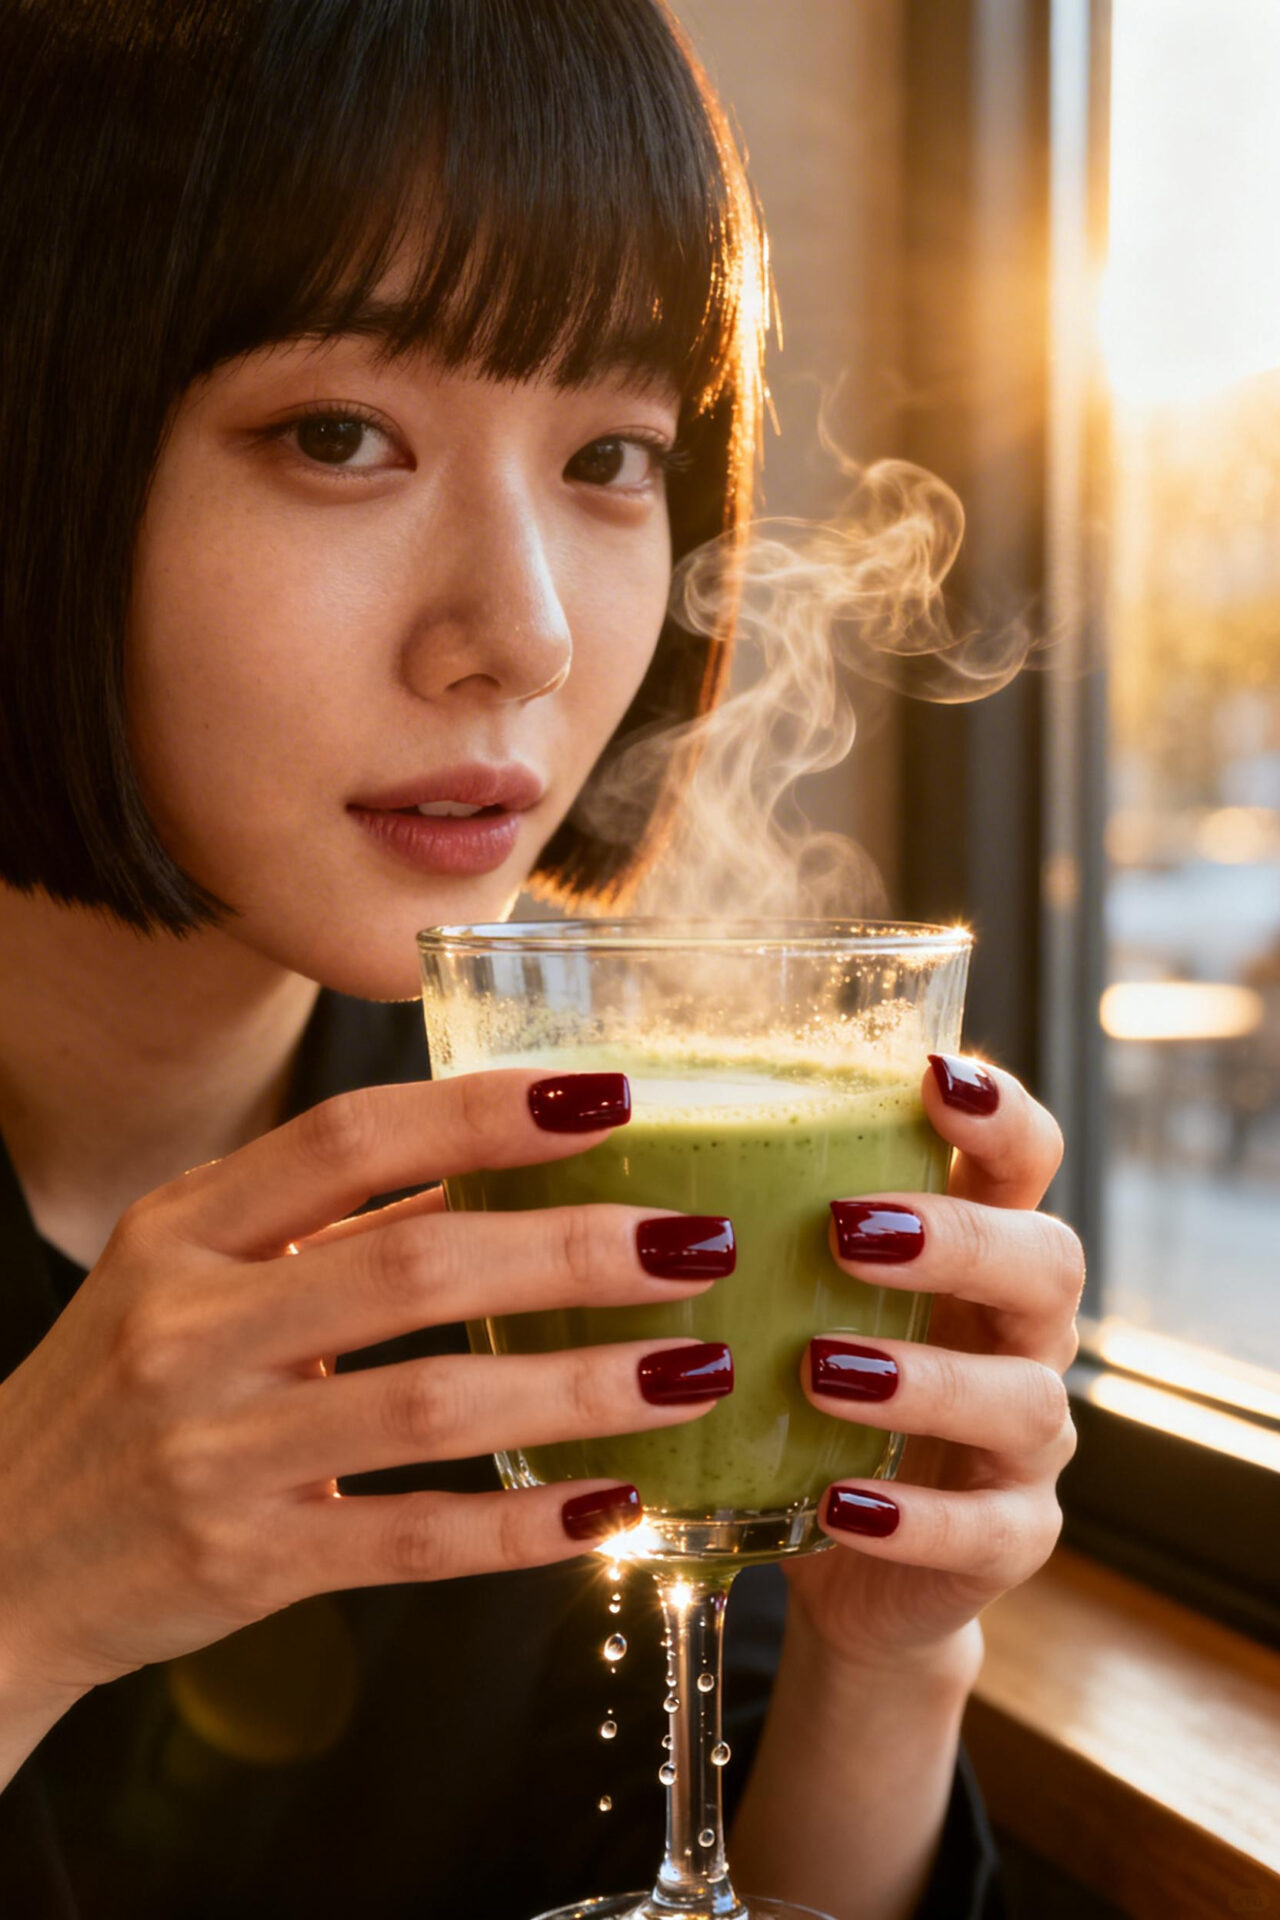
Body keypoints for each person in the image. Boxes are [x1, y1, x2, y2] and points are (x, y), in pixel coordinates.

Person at [0, 2, 1082, 1915]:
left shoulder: (550, 1175)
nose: (523, 637)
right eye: (341, 436)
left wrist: (887, 1661)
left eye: (611, 453)